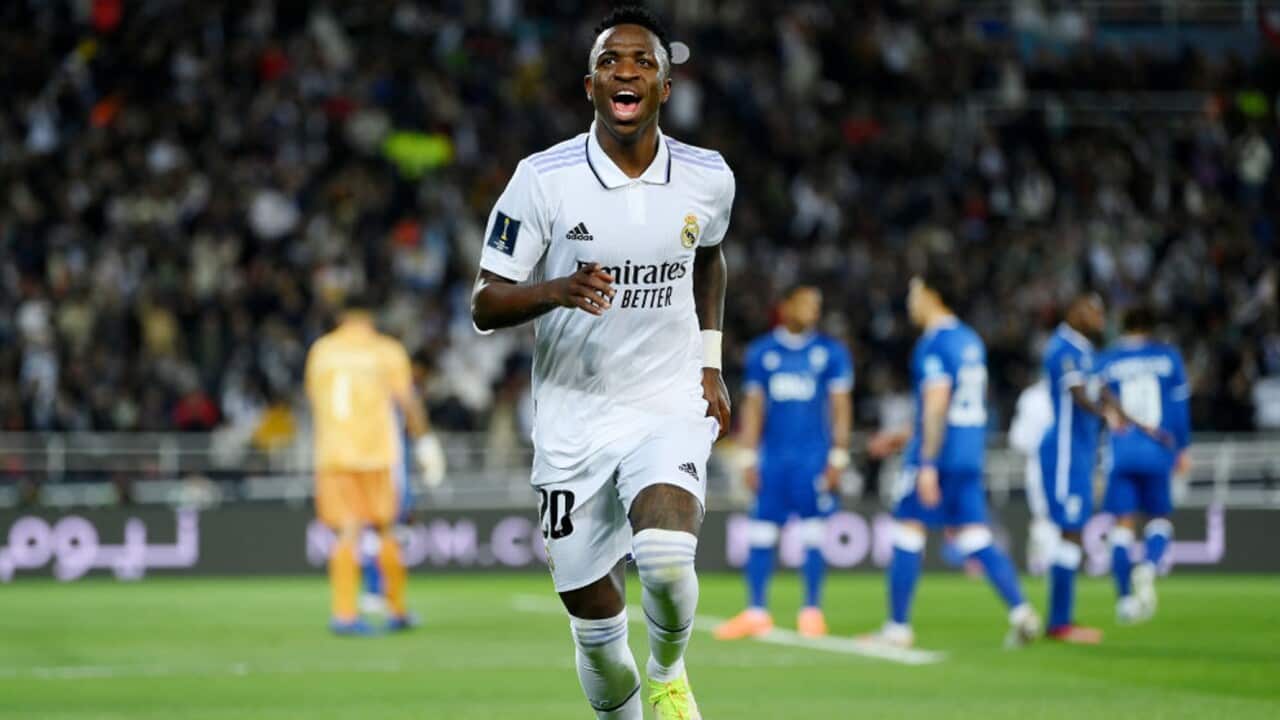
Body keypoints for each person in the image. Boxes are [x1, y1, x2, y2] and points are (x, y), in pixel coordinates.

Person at [469, 7, 733, 719]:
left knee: (669, 558)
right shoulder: (542, 179)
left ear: (664, 86)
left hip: (666, 401)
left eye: (642, 61)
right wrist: (558, 289)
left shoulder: (707, 176)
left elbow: (708, 255)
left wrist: (709, 362)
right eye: (612, 61)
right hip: (574, 417)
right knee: (595, 635)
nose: (626, 70)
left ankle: (670, 672)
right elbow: (484, 304)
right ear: (590, 86)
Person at [861, 268, 1041, 649]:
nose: (910, 302)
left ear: (931, 295)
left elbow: (938, 405)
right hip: (968, 453)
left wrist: (925, 463)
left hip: (938, 455)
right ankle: (1021, 611)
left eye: (914, 293)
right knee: (975, 534)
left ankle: (897, 628)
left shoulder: (934, 343)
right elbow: (952, 406)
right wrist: (901, 435)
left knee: (907, 529)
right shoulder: (969, 340)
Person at [713, 285, 854, 640]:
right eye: (806, 303)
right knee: (761, 532)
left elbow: (840, 406)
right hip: (773, 459)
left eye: (817, 304)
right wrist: (747, 456)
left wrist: (839, 454)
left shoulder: (830, 353)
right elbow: (754, 406)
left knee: (813, 532)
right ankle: (757, 610)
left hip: (813, 459)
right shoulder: (763, 352)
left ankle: (811, 611)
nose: (813, 310)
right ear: (786, 306)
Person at [305, 294, 445, 635]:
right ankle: (396, 611)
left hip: (334, 455)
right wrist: (425, 442)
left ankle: (344, 614)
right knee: (386, 530)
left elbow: (313, 399)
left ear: (342, 316)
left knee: (347, 532)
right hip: (377, 455)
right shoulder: (385, 350)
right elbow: (408, 401)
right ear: (370, 316)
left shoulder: (321, 351)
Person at [1038, 293, 1138, 643]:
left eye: (1101, 311)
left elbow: (1103, 391)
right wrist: (1107, 413)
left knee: (1074, 532)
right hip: (1064, 453)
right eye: (1091, 310)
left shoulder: (1086, 350)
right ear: (1073, 311)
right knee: (1070, 530)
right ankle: (1059, 622)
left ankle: (1061, 619)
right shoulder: (1063, 347)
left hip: (1081, 452)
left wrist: (1128, 416)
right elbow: (1080, 395)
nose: (1098, 317)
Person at [1096, 305, 1190, 624]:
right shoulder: (1168, 357)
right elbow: (1179, 407)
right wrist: (1183, 448)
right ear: (1150, 328)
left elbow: (1100, 405)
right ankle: (1148, 568)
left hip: (1121, 453)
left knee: (1122, 527)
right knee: (1159, 520)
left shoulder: (1107, 360)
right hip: (1156, 449)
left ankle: (1124, 602)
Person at [1008, 378, 1057, 575]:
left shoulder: (1030, 396)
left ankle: (1041, 562)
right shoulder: (1072, 388)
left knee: (1042, 514)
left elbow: (1018, 439)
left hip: (1037, 462)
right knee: (1057, 515)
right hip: (1069, 462)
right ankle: (1053, 563)